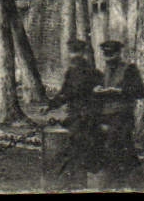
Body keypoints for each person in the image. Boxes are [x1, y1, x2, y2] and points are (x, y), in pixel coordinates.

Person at [44, 38, 102, 186]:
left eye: (76, 52)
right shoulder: (71, 72)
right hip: (75, 115)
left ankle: (72, 182)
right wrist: (50, 105)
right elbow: (64, 92)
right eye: (72, 52)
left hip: (85, 116)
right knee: (75, 150)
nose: (74, 56)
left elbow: (72, 93)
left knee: (77, 150)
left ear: (82, 53)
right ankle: (72, 180)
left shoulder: (89, 72)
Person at [93, 40, 144, 188]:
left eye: (111, 55)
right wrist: (97, 90)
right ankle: (131, 182)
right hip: (106, 114)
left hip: (123, 115)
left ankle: (121, 182)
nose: (108, 59)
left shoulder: (130, 69)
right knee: (122, 148)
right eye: (106, 55)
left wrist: (120, 91)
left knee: (115, 145)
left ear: (118, 53)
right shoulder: (104, 70)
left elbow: (140, 92)